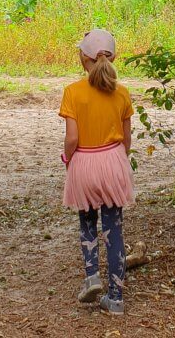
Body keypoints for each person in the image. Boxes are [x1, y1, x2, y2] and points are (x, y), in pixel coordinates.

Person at [59, 28, 134, 316]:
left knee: (87, 222)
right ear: (112, 57)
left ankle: (91, 277)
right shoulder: (122, 93)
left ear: (83, 57)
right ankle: (115, 297)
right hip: (113, 161)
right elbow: (126, 139)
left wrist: (68, 158)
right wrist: (117, 162)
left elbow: (72, 138)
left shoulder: (73, 92)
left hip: (85, 163)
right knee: (114, 229)